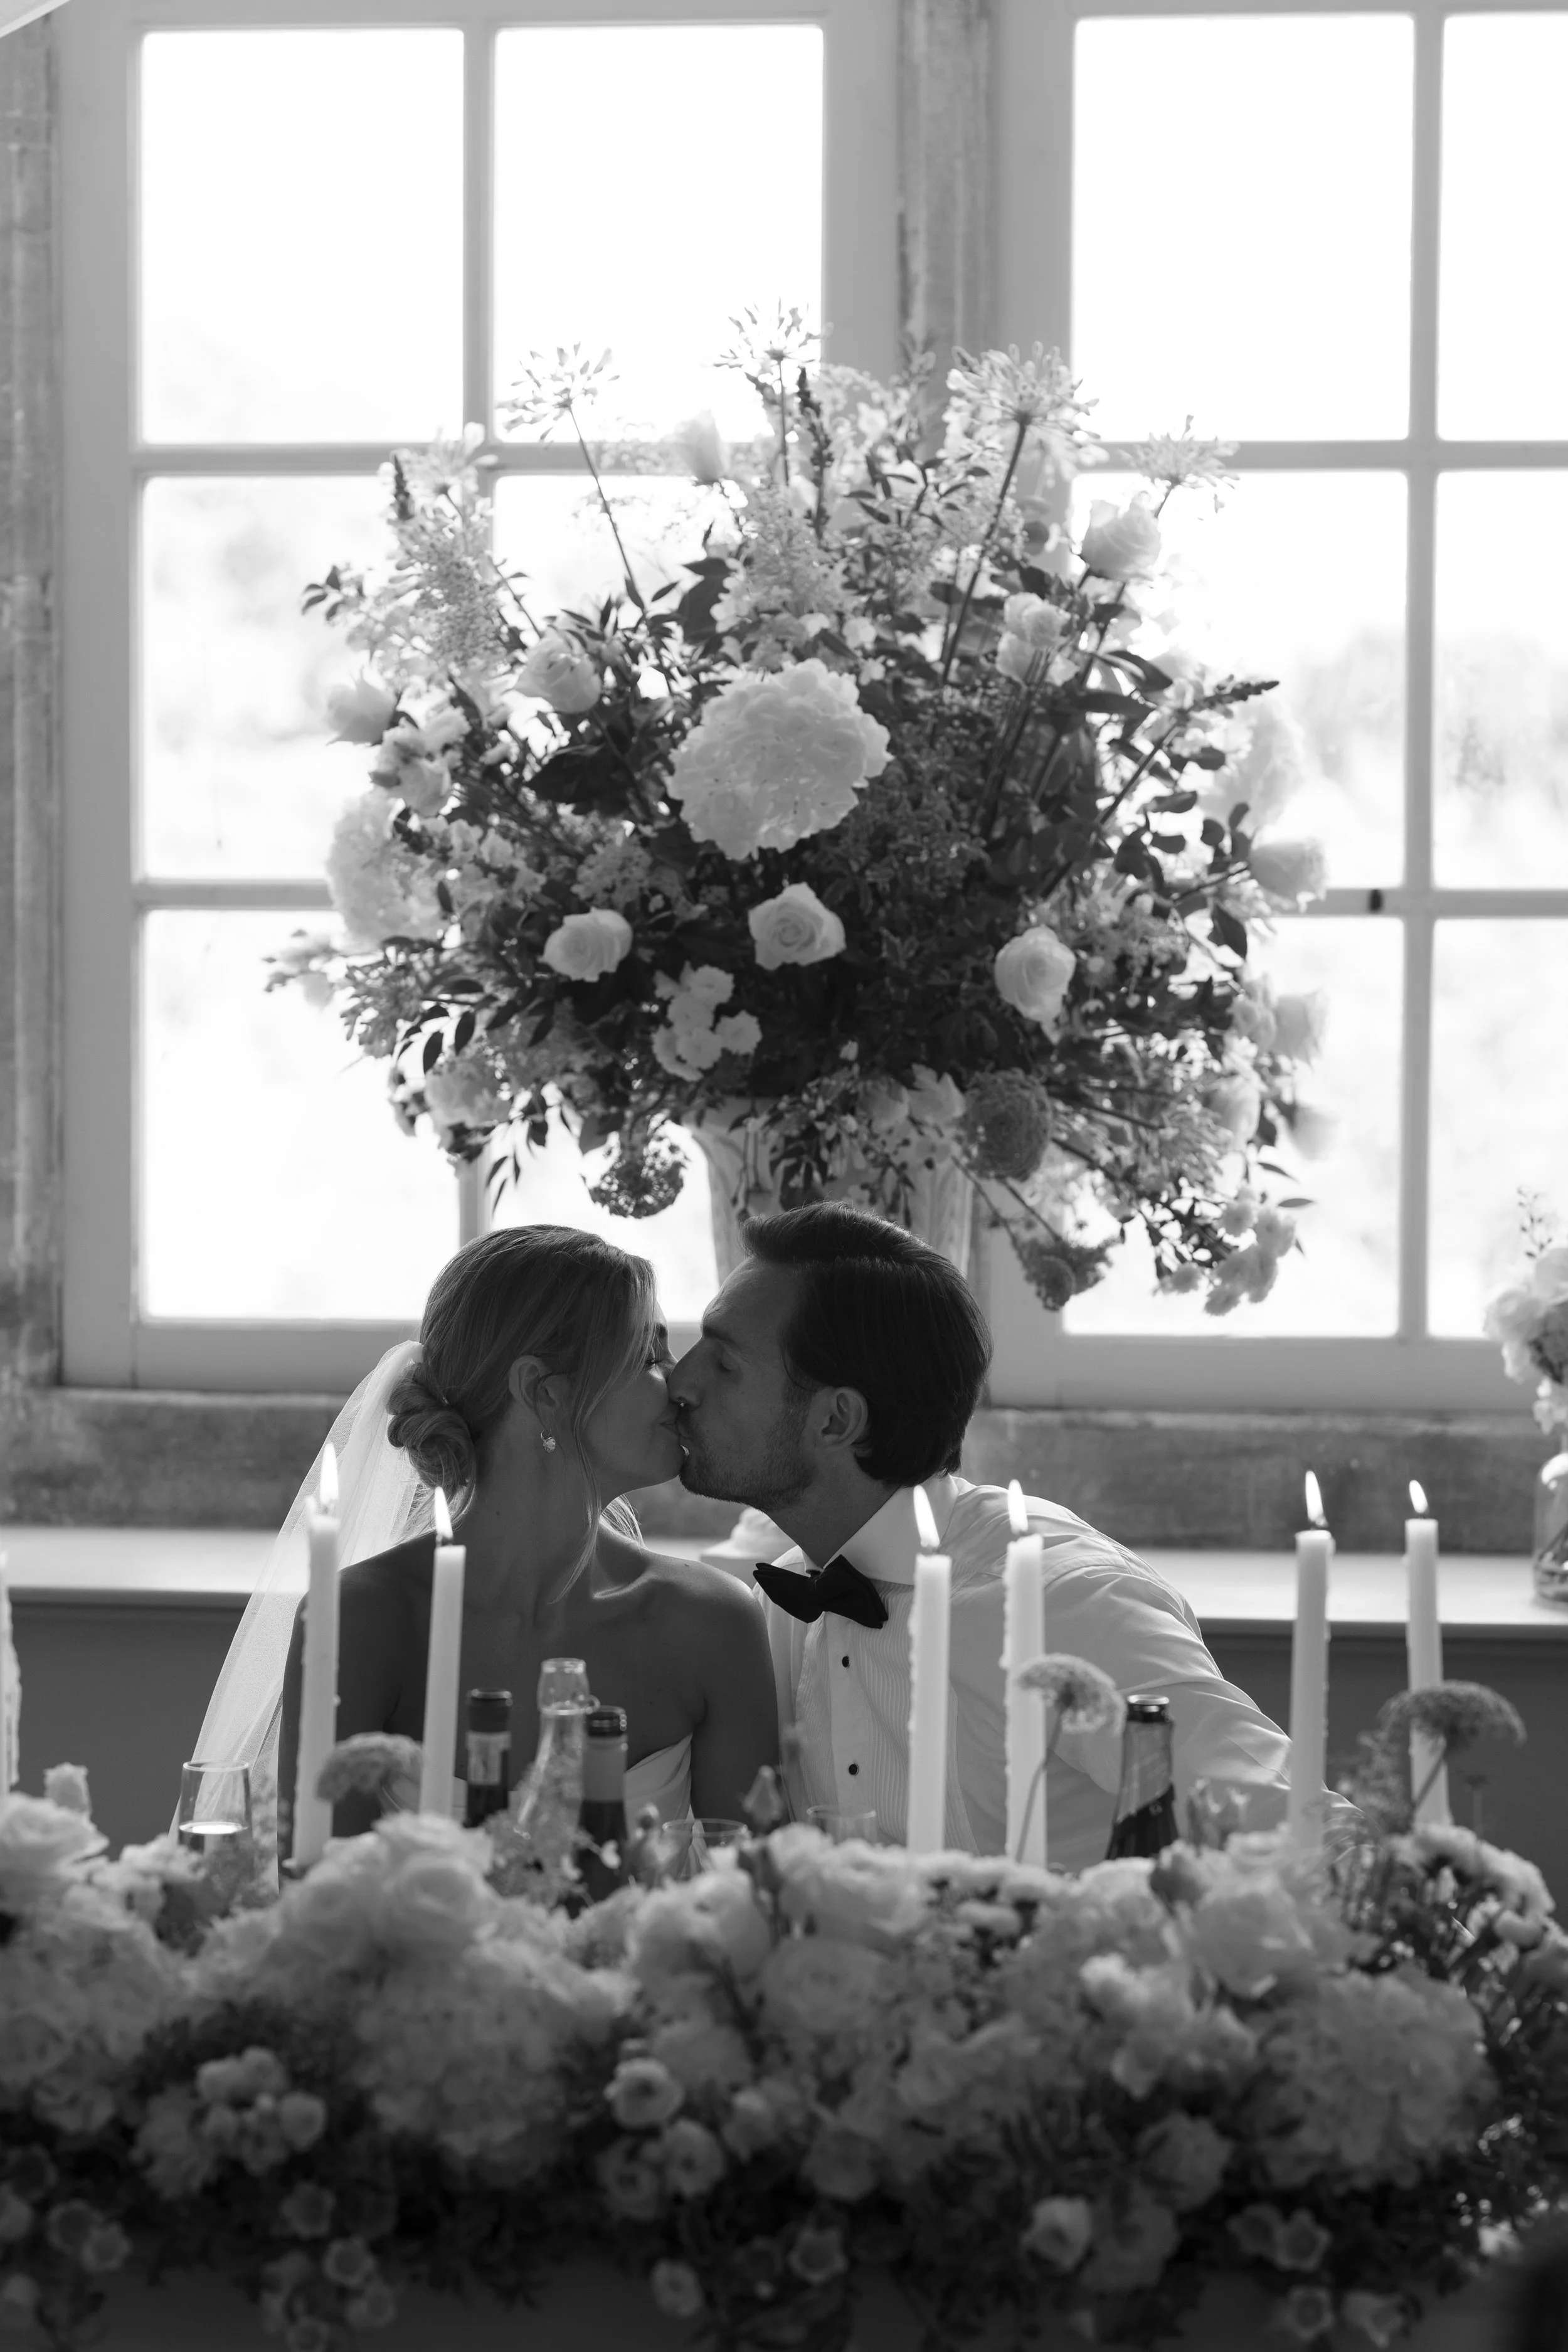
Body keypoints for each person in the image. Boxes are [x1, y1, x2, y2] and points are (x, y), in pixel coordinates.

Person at [667, 1202, 1293, 1868]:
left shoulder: (1065, 1599)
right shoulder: (783, 1602)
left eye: (725, 1365)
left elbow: (1300, 1831)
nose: (680, 1380)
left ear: (835, 1420)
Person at [198, 1227, 776, 1864]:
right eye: (647, 1356)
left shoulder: (712, 1622)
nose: (680, 1385)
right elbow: (322, 1920)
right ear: (544, 1393)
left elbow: (752, 1908)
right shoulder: (361, 1620)